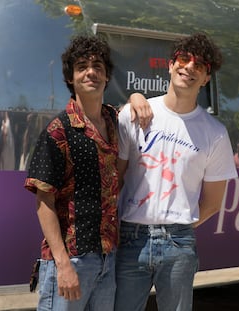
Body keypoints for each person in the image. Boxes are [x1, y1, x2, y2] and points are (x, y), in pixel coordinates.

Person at [24, 35, 151, 311]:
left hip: (107, 258)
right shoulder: (58, 131)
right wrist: (63, 264)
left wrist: (136, 96)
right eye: (81, 66)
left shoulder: (114, 121)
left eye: (97, 66)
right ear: (71, 77)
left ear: (107, 77)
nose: (90, 72)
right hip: (72, 259)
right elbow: (43, 201)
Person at [115, 32, 238, 311]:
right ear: (170, 65)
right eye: (184, 59)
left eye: (200, 65)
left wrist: (177, 228)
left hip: (179, 244)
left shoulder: (215, 133)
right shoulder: (134, 115)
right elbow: (116, 179)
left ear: (207, 77)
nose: (189, 67)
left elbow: (213, 203)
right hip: (131, 238)